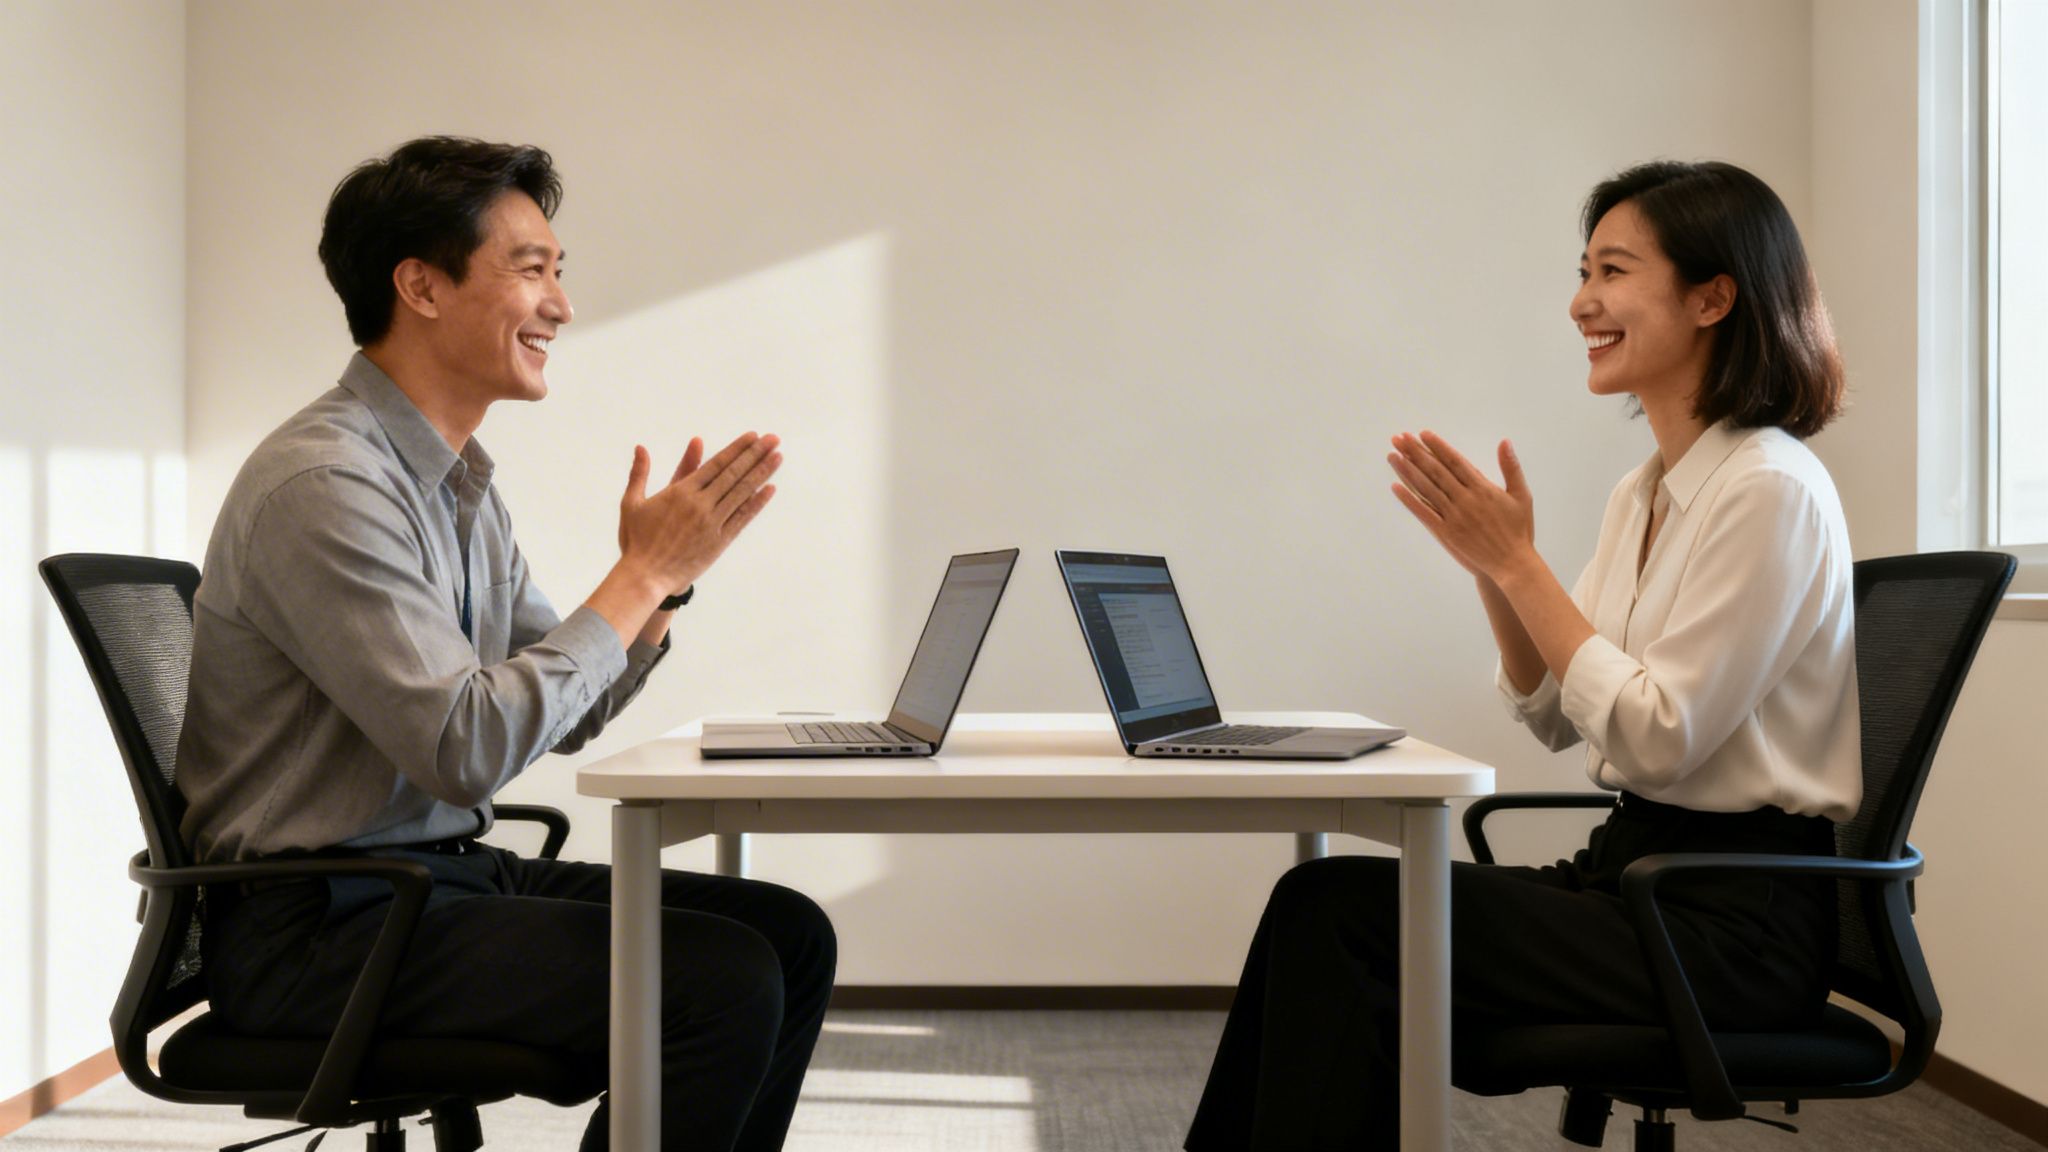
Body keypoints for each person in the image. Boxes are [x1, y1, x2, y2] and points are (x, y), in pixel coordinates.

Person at [1183, 159, 1858, 1150]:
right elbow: (1554, 711)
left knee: (1339, 915)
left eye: (1613, 271)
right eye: (1582, 270)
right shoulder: (1646, 491)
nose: (1582, 301)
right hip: (1635, 876)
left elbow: (1653, 737)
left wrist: (1517, 564)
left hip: (1727, 924)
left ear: (1712, 296)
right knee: (1319, 906)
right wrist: (1494, 571)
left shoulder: (1769, 490)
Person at [177, 136, 835, 1152]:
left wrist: (661, 591)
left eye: (558, 274)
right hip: (319, 927)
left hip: (425, 883)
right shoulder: (327, 486)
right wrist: (639, 575)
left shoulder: (456, 482)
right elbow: (467, 747)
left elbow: (566, 714)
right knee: (718, 981)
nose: (561, 306)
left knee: (786, 935)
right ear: (420, 286)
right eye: (531, 270)